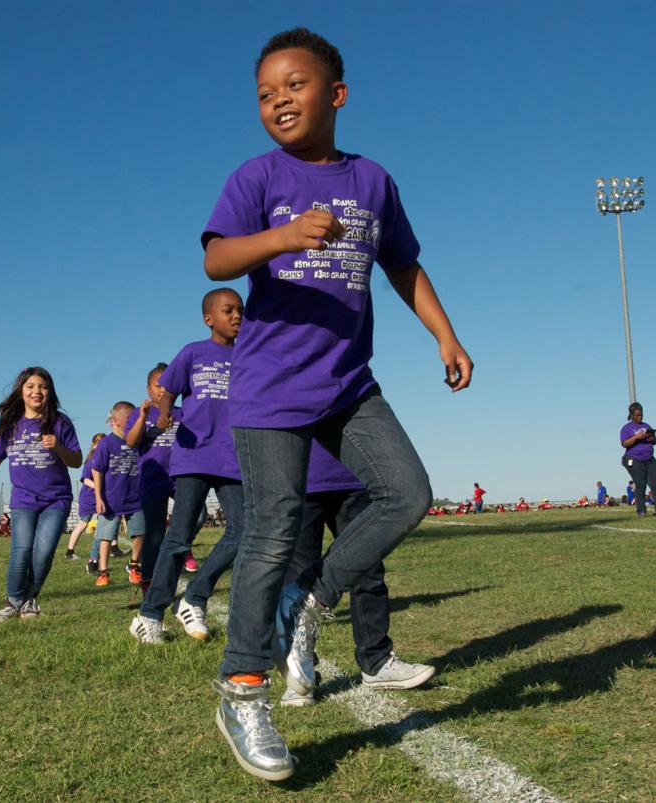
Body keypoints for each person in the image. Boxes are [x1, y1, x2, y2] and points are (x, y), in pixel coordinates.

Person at [201, 28, 473, 780]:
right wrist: (283, 234)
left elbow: (404, 265)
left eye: (293, 85)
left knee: (407, 493)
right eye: (265, 93)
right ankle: (243, 689)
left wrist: (445, 338)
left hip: (350, 383)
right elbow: (217, 256)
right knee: (273, 527)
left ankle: (312, 604)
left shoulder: (373, 182)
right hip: (269, 389)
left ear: (336, 94)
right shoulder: (257, 177)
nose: (278, 100)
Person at [131, 288, 246, 643]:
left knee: (244, 531)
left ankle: (194, 596)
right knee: (179, 537)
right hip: (195, 454)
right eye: (228, 310)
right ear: (209, 319)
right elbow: (168, 390)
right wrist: (165, 412)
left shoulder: (249, 355)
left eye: (241, 310)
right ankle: (149, 615)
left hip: (233, 458)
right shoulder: (194, 352)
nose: (237, 316)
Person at [278, 445, 435, 706]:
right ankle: (301, 675)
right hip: (301, 480)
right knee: (298, 580)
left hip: (354, 480)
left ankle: (377, 661)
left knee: (368, 572)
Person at [0, 367, 82, 621]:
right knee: (21, 551)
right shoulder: (11, 424)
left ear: (49, 390)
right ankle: (13, 601)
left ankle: (30, 599)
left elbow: (77, 460)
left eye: (42, 386)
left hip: (56, 499)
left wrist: (58, 446)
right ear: (21, 391)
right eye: (31, 386)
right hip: (23, 500)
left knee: (42, 552)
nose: (37, 391)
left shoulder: (60, 422)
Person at [126, 364, 182, 585]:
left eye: (167, 385)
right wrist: (141, 418)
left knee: (198, 514)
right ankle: (148, 580)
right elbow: (131, 441)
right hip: (152, 480)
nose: (162, 390)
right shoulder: (141, 414)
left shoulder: (180, 412)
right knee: (154, 532)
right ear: (148, 389)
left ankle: (178, 546)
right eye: (157, 385)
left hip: (179, 476)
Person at [88, 402, 143, 586]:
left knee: (140, 533)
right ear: (116, 421)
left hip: (135, 498)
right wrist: (98, 497)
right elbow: (97, 471)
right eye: (129, 418)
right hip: (112, 500)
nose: (132, 421)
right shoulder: (106, 443)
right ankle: (103, 572)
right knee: (106, 537)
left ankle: (134, 565)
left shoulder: (138, 440)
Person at [620, 402, 656, 517]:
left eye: (641, 415)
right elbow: (624, 443)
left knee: (655, 484)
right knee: (640, 484)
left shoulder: (646, 426)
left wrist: (653, 438)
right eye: (637, 415)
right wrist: (637, 437)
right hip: (635, 459)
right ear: (631, 415)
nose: (639, 417)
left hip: (650, 459)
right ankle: (641, 510)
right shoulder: (626, 429)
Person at [64, 433, 105, 560]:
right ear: (95, 444)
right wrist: (98, 487)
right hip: (89, 498)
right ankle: (69, 552)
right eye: (101, 443)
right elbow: (85, 479)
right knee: (83, 524)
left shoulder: (104, 457)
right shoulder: (91, 459)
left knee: (106, 522)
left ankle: (113, 548)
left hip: (102, 497)